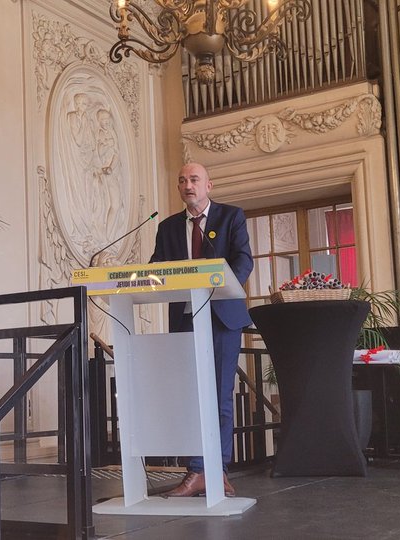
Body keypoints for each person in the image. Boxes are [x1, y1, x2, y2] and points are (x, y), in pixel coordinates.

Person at [149, 162, 253, 497]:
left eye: (194, 179)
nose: (187, 185)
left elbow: (243, 260)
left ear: (209, 184)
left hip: (222, 318)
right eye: (182, 181)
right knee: (192, 397)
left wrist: (221, 282)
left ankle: (217, 470)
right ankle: (196, 471)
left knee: (220, 396)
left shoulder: (231, 217)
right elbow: (157, 266)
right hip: (185, 318)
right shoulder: (167, 227)